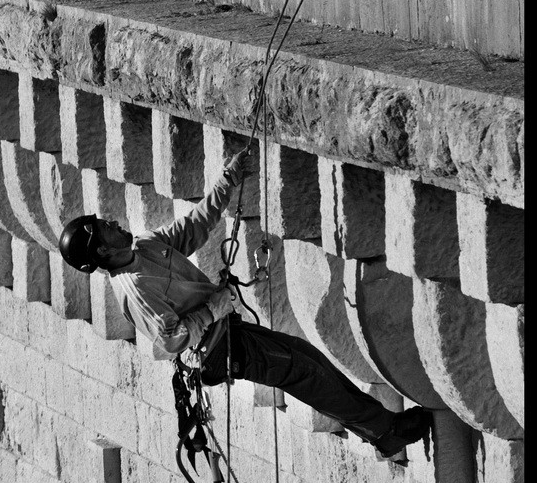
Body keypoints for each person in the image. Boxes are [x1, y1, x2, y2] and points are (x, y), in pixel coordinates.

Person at [59, 147, 432, 460]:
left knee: (308, 360)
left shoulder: (145, 246)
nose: (112, 222)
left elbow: (193, 226)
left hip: (227, 334)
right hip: (217, 350)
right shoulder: (135, 289)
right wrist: (212, 308)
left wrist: (227, 181)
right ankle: (385, 431)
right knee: (304, 372)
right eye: (104, 227)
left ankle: (380, 429)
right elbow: (171, 339)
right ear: (103, 251)